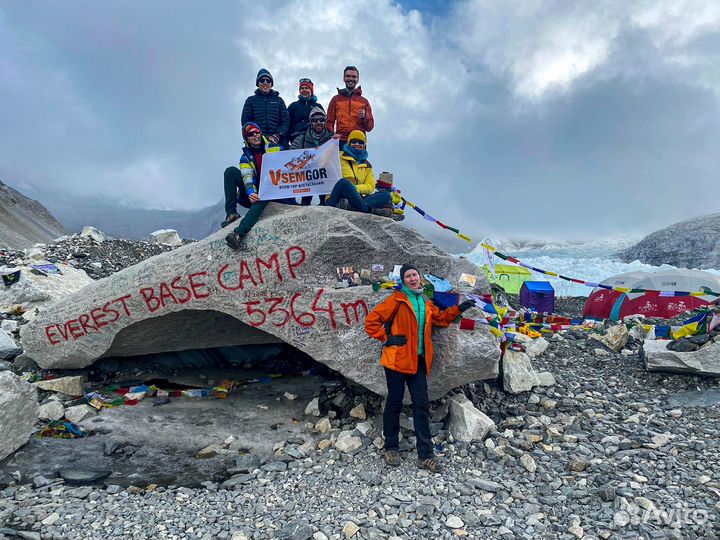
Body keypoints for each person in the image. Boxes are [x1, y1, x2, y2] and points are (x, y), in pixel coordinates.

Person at [365, 264, 475, 472]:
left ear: (420, 278)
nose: (412, 279)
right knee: (394, 403)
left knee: (421, 406)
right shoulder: (396, 300)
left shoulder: (425, 301)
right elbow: (371, 322)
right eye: (408, 276)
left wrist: (459, 309)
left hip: (418, 361)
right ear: (403, 281)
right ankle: (391, 447)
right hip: (397, 361)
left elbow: (440, 319)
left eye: (415, 275)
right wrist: (386, 338)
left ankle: (425, 455)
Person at [224, 123, 293, 249]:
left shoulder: (275, 148)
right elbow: (247, 176)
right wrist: (250, 192)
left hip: (274, 190)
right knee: (230, 172)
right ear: (247, 139)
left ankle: (238, 233)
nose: (255, 135)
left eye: (257, 132)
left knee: (264, 194)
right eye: (251, 134)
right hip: (255, 192)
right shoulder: (245, 157)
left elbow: (293, 159)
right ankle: (232, 214)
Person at [325, 130, 393, 217]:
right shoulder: (338, 156)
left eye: (360, 142)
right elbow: (323, 162)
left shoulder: (367, 165)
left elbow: (370, 186)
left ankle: (352, 207)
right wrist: (330, 144)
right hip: (336, 197)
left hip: (356, 198)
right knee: (344, 183)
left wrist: (354, 189)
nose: (357, 144)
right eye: (354, 141)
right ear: (349, 143)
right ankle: (368, 210)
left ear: (364, 145)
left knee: (386, 195)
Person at [291, 106, 335, 206]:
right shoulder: (300, 139)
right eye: (315, 120)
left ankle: (324, 203)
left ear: (325, 121)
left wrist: (338, 141)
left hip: (325, 175)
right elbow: (291, 156)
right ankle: (305, 204)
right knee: (305, 203)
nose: (318, 122)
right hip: (306, 178)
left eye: (322, 119)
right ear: (310, 122)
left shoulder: (332, 138)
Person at [326, 66, 374, 145]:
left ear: (357, 80)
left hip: (358, 141)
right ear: (344, 78)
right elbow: (329, 121)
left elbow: (370, 127)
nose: (351, 79)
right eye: (348, 76)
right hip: (340, 140)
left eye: (354, 77)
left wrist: (365, 116)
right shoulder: (336, 99)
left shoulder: (364, 102)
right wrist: (331, 135)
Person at [241, 69, 290, 146]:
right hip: (257, 140)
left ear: (271, 84)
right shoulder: (250, 100)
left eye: (268, 81)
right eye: (262, 80)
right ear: (258, 83)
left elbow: (286, 121)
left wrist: (278, 135)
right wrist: (256, 135)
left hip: (278, 141)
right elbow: (246, 122)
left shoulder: (279, 100)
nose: (265, 82)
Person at [287, 78, 324, 143]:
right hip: (296, 139)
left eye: (306, 88)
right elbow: (287, 123)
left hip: (314, 140)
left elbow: (324, 123)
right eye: (302, 88)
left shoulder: (318, 106)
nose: (304, 90)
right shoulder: (293, 106)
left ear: (311, 90)